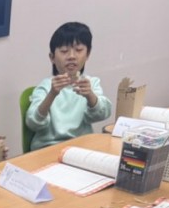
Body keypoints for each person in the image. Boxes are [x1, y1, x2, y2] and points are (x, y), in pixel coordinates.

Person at [25, 22, 112, 151]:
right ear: (52, 57)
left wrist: (90, 95)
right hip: (48, 147)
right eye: (64, 51)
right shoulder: (46, 86)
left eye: (79, 50)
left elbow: (102, 114)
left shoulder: (90, 83)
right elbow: (33, 123)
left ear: (87, 54)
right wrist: (52, 94)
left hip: (81, 147)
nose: (71, 56)